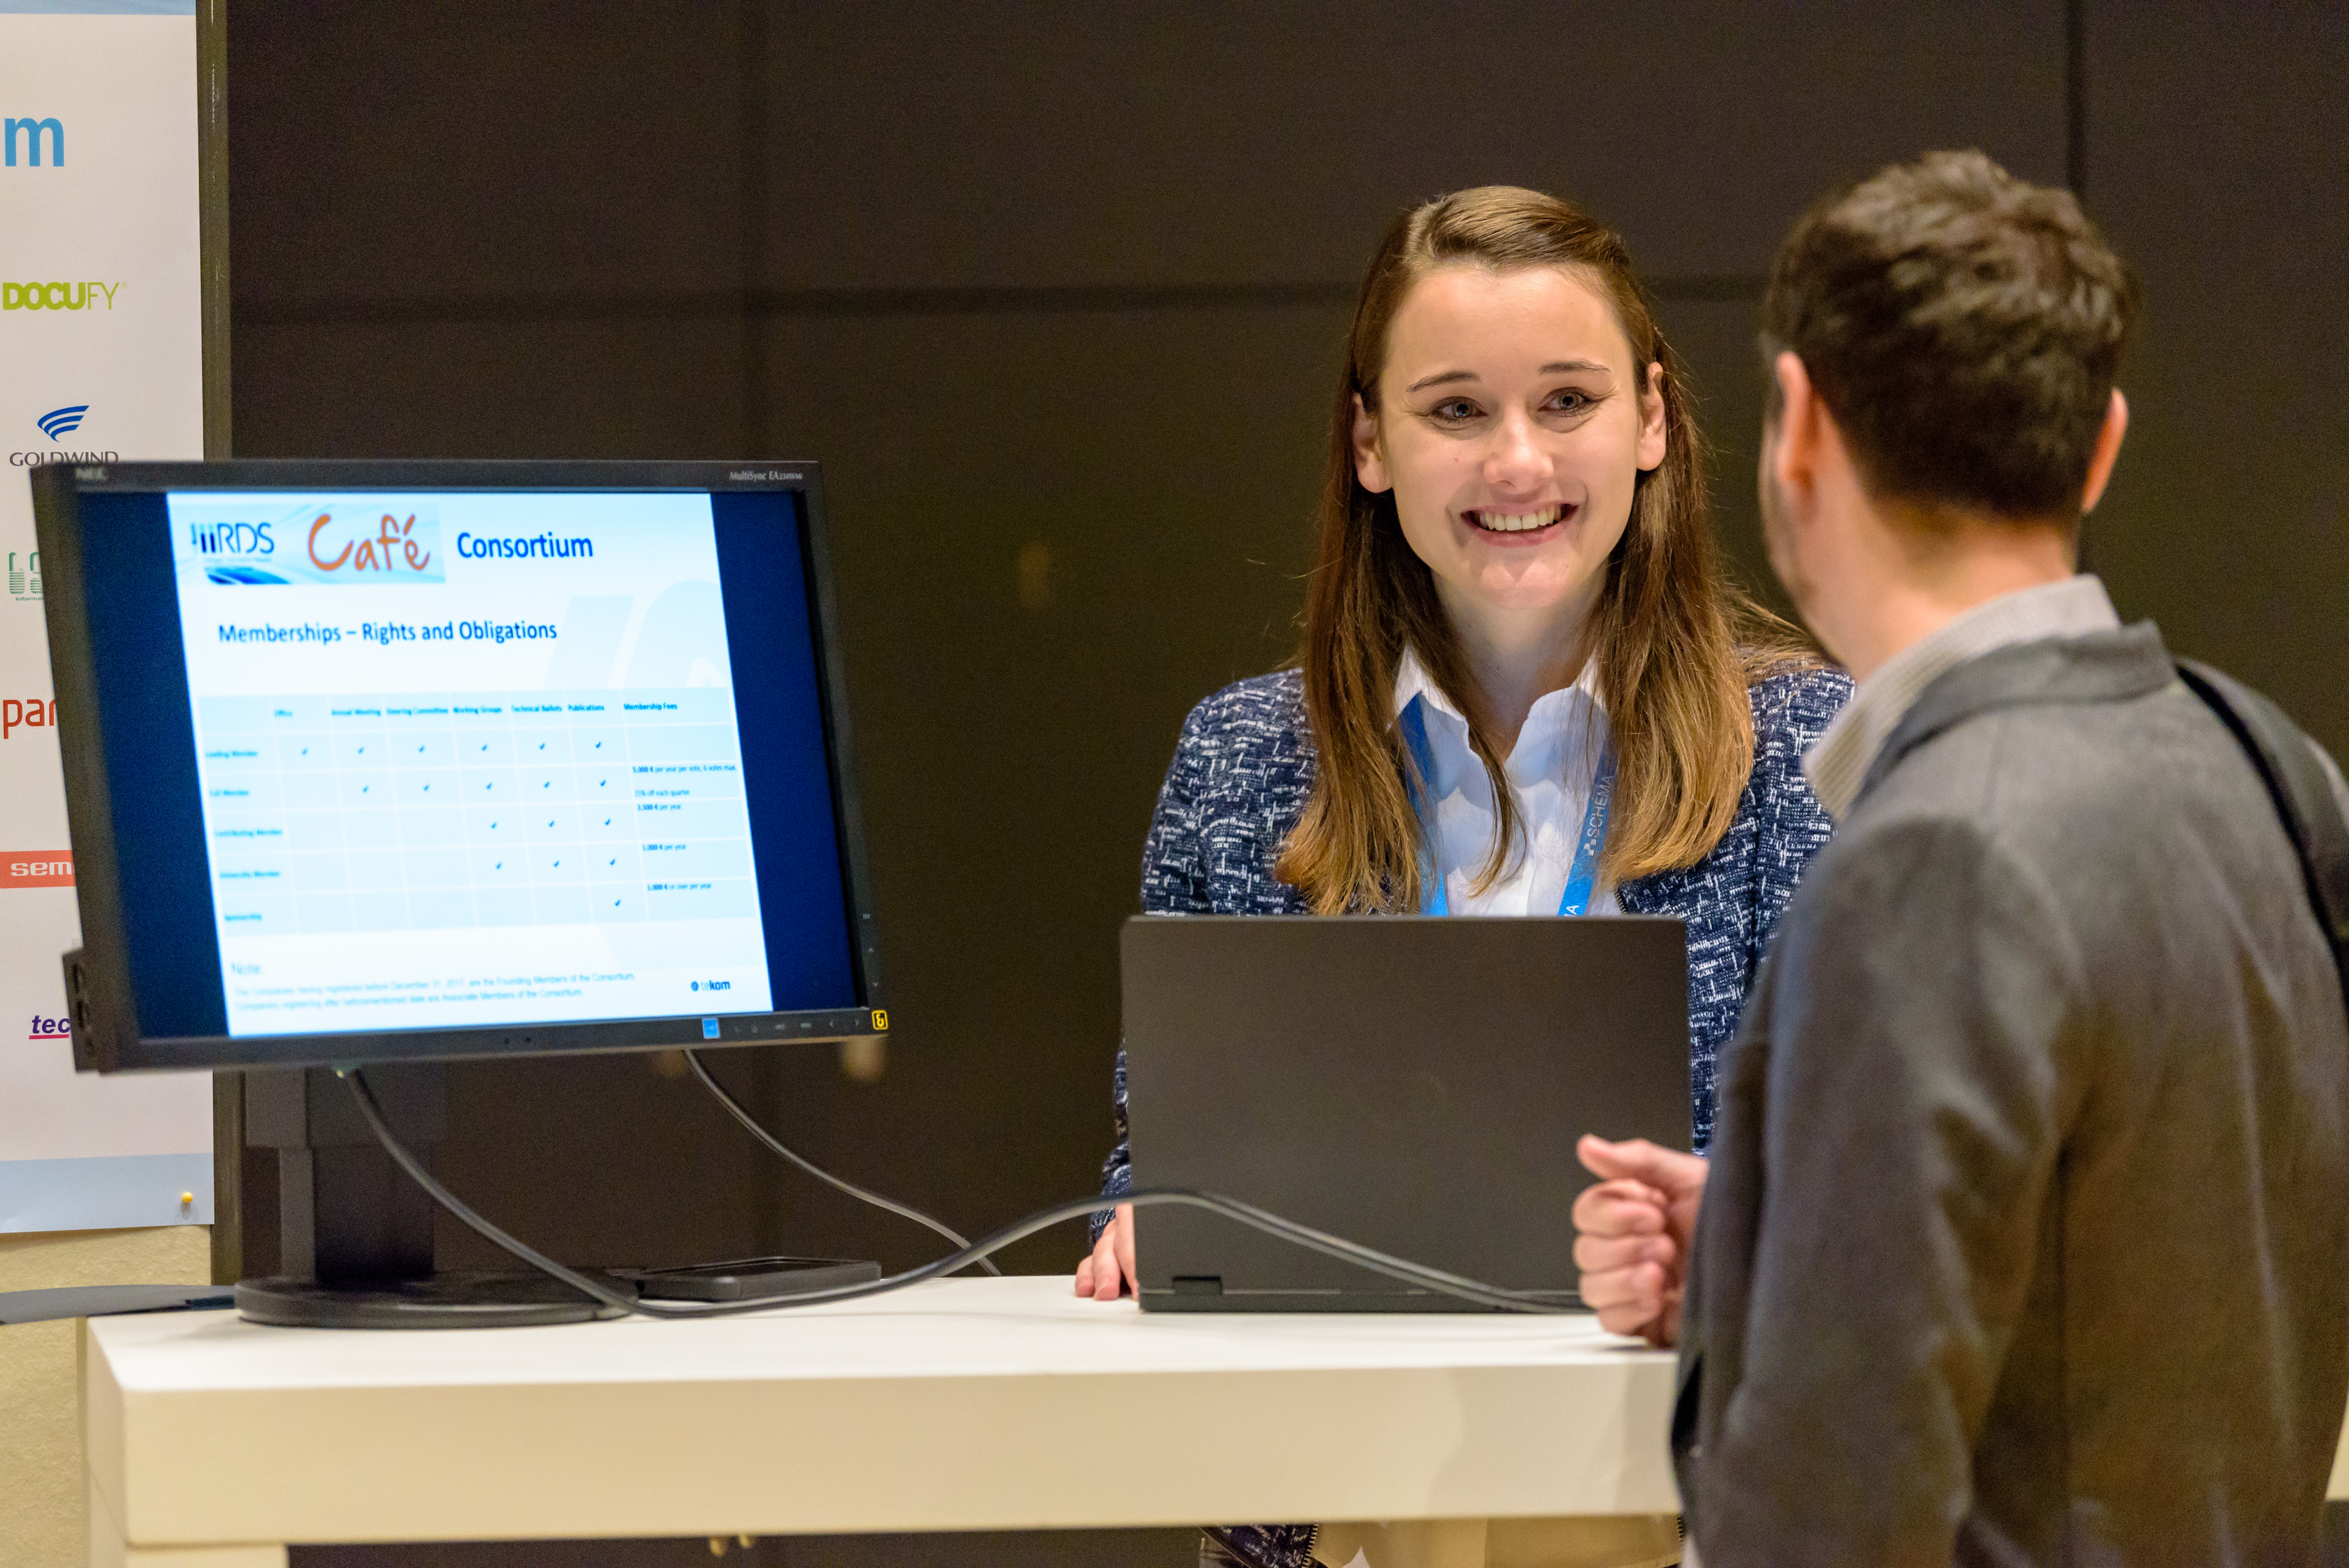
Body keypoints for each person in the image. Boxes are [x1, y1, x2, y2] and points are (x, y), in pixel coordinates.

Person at [1573, 150, 2349, 1566]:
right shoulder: (2275, 767)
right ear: (2102, 443)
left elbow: (1829, 1519)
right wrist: (1775, 1231)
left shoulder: (1933, 853)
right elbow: (2150, 1270)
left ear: (1797, 427)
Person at [1074, 185, 1851, 1568]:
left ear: (1652, 423)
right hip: (1342, 1514)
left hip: (1679, 1512)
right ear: (1369, 441)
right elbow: (1158, 1166)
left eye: (1567, 401)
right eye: (1454, 410)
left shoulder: (1809, 753)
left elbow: (1863, 1185)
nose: (1516, 462)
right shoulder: (1241, 756)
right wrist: (1138, 1219)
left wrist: (1701, 1235)